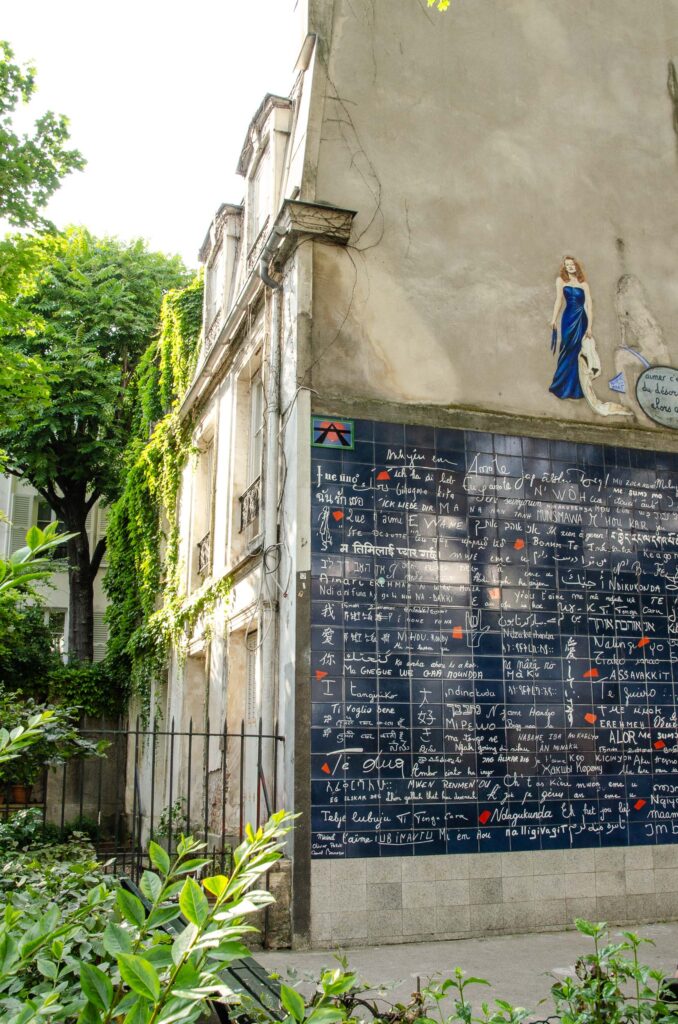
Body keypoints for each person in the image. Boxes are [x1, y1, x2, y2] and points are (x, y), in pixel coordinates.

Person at [549, 255, 592, 400]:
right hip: (568, 318)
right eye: (567, 265)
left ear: (576, 266)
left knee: (577, 352)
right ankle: (560, 385)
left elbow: (589, 306)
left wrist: (590, 327)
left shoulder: (584, 284)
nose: (570, 267)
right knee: (567, 349)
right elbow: (558, 300)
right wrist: (554, 319)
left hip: (581, 319)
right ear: (565, 267)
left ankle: (576, 388)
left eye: (572, 264)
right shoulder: (561, 281)